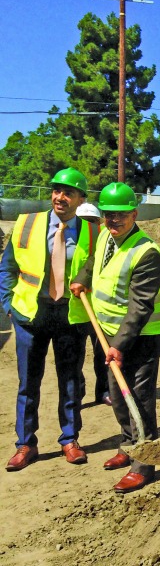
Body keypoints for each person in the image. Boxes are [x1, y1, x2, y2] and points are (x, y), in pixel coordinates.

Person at [1, 167, 99, 471]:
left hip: (69, 316)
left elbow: (100, 271)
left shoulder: (93, 232)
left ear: (81, 198)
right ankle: (25, 444)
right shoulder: (27, 224)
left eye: (68, 192)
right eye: (56, 190)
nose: (60, 197)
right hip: (31, 316)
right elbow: (7, 267)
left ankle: (69, 439)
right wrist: (8, 305)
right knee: (28, 383)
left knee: (70, 381)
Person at [71, 182, 160, 493]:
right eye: (108, 215)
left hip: (138, 338)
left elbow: (140, 308)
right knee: (116, 396)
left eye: (120, 216)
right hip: (110, 334)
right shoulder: (105, 238)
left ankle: (144, 464)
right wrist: (82, 280)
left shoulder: (147, 252)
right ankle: (128, 445)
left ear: (134, 214)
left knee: (138, 400)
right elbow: (93, 263)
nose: (112, 221)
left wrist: (118, 346)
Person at [76, 201, 110, 406]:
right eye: (84, 221)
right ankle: (78, 393)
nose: (89, 225)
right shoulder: (70, 240)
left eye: (92, 221)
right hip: (76, 308)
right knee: (76, 356)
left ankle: (104, 390)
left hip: (99, 307)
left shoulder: (106, 240)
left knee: (102, 353)